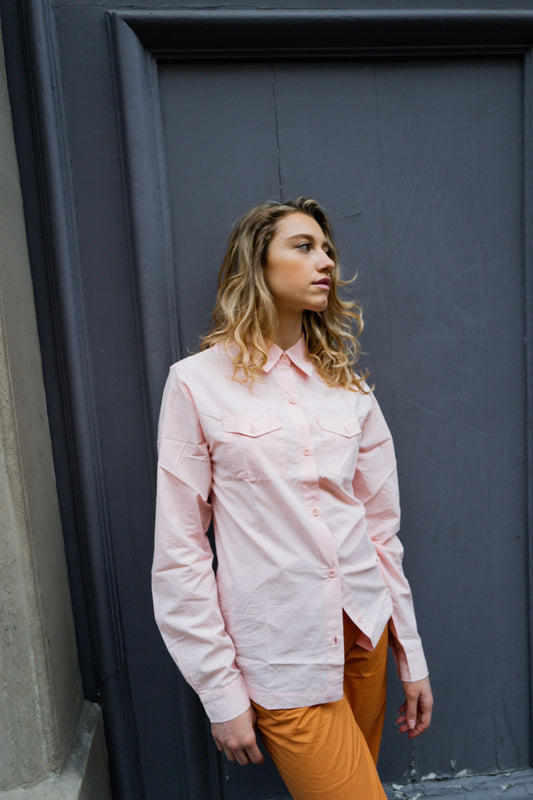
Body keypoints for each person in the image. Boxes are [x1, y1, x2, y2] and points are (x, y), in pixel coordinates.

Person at [152, 197, 433, 800]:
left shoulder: (350, 391)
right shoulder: (196, 383)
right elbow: (179, 553)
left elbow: (381, 535)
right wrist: (220, 692)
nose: (325, 261)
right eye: (303, 247)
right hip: (281, 653)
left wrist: (410, 654)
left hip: (364, 638)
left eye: (327, 249)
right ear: (257, 263)